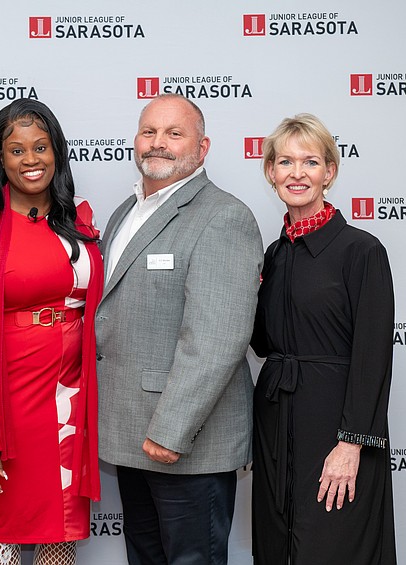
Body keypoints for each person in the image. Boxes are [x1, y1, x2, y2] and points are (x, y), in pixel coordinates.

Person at [0, 98, 103, 565]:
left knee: (59, 528)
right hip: (9, 408)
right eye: (17, 150)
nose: (31, 160)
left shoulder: (80, 222)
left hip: (70, 402)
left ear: (57, 152)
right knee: (5, 529)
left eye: (41, 147)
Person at [95, 93, 263, 565]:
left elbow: (216, 340)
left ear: (202, 147)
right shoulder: (125, 214)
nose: (158, 144)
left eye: (174, 133)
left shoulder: (223, 217)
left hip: (186, 445)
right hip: (130, 435)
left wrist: (171, 432)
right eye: (149, 132)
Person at [250, 113, 396, 564]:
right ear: (271, 171)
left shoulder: (361, 250)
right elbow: (262, 344)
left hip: (336, 431)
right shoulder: (274, 254)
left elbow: (372, 357)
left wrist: (351, 444)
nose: (297, 173)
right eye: (286, 162)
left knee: (331, 548)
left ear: (329, 172)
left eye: (310, 162)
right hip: (277, 426)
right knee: (276, 548)